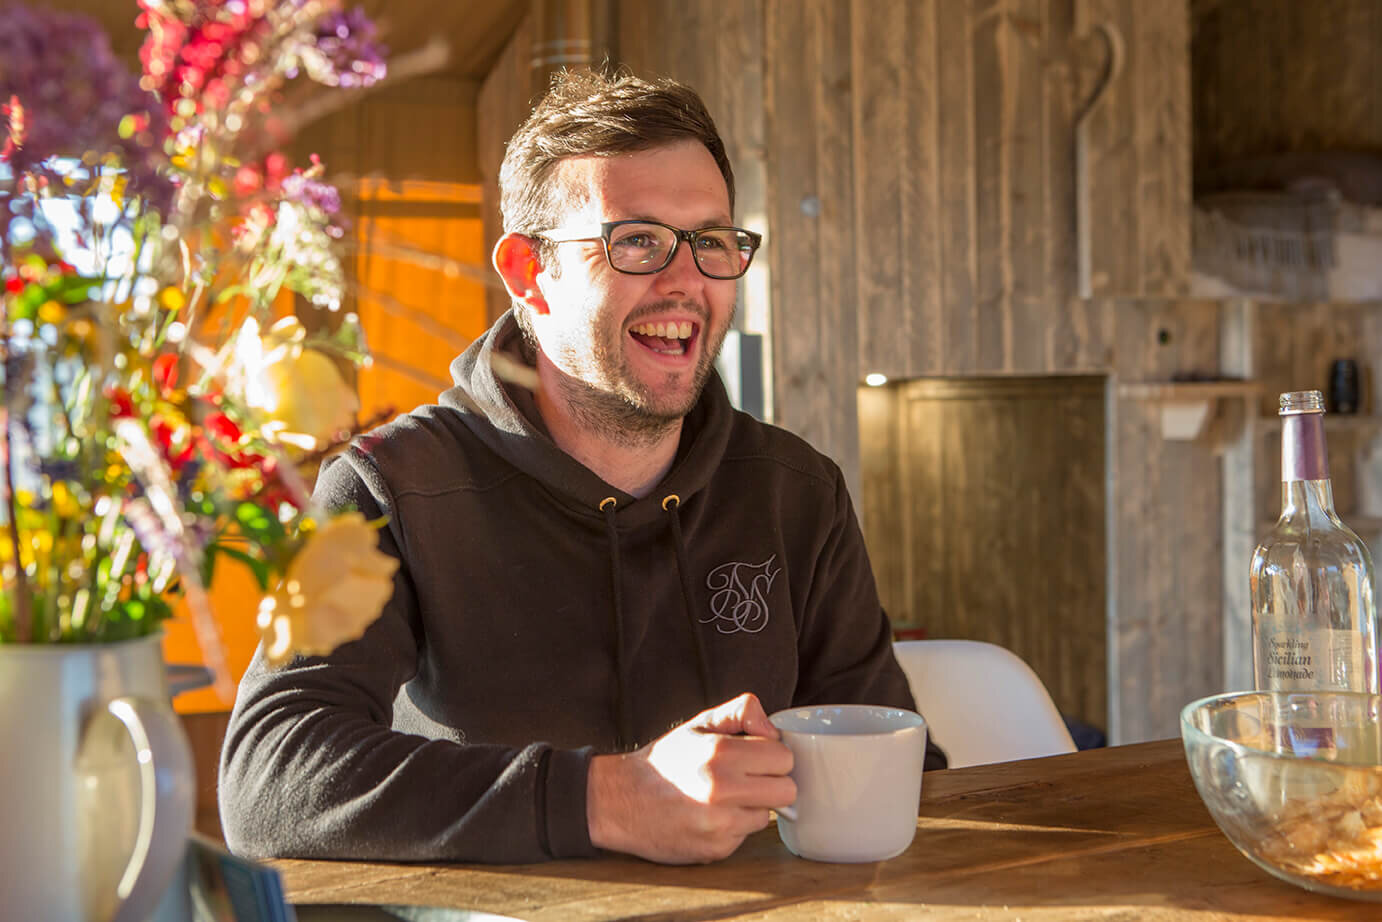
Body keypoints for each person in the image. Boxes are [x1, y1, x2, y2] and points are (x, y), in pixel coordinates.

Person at [218, 68, 946, 867]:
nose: (685, 281)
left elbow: (898, 760)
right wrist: (609, 798)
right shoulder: (392, 486)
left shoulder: (794, 489)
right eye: (635, 240)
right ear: (530, 273)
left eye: (710, 240)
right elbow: (269, 779)